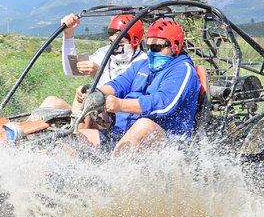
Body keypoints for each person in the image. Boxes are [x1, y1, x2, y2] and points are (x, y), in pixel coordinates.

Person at [76, 18, 201, 155]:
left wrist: (121, 105)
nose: (151, 53)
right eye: (148, 47)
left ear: (175, 46)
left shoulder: (182, 70)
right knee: (80, 139)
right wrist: (94, 92)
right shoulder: (143, 65)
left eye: (156, 48)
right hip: (122, 133)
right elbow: (118, 84)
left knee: (143, 125)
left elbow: (163, 104)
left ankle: (112, 170)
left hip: (168, 140)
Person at [39, 13, 146, 112]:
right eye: (111, 42)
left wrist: (98, 72)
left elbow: (124, 93)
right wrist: (68, 35)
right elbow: (71, 70)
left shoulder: (143, 62)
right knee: (51, 102)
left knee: (88, 100)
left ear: (134, 41)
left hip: (113, 116)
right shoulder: (104, 52)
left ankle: (78, 128)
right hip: (92, 111)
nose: (113, 47)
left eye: (119, 42)